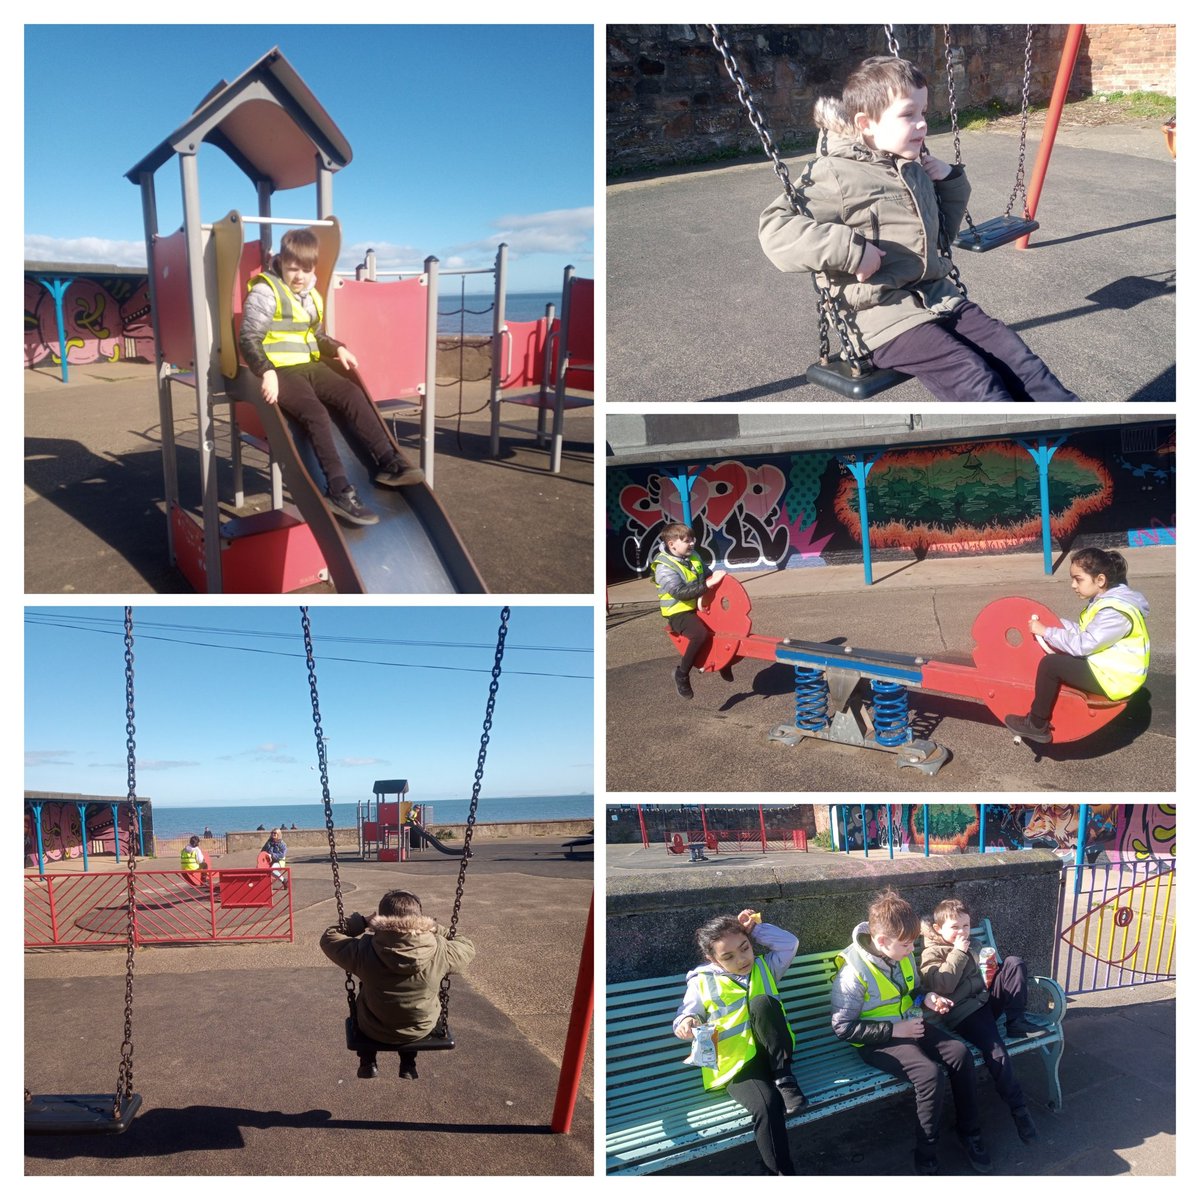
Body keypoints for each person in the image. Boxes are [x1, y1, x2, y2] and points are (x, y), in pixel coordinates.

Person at [758, 56, 1080, 403]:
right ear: (866, 124)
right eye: (908, 114)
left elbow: (941, 237)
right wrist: (851, 251)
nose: (922, 124)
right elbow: (775, 230)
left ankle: (1079, 435)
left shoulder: (913, 168)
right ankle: (1011, 450)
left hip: (938, 297)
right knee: (972, 375)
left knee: (1019, 359)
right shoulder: (834, 173)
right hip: (879, 318)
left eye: (923, 113)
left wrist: (950, 181)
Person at [238, 226, 424, 527]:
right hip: (280, 370)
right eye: (292, 268)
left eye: (305, 269)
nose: (299, 276)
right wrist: (266, 371)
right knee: (315, 413)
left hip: (309, 365)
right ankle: (338, 490)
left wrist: (338, 348)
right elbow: (248, 338)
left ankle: (389, 462)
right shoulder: (266, 291)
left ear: (313, 268)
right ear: (282, 262)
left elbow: (315, 334)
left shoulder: (310, 294)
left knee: (351, 393)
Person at [831, 888, 991, 1174]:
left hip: (911, 1025)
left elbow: (914, 990)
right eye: (906, 945)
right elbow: (844, 1028)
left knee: (959, 1053)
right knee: (929, 1074)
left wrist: (927, 998)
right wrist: (895, 1029)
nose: (911, 950)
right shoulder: (853, 973)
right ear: (882, 941)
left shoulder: (900, 952)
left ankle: (970, 1131)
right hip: (877, 1040)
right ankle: (926, 1153)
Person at [674, 910, 806, 1175]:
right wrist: (686, 1023)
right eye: (728, 956)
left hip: (774, 1056)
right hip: (736, 1063)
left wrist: (755, 928)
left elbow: (789, 944)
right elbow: (685, 1014)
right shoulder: (701, 982)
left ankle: (784, 1078)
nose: (742, 959)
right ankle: (781, 1174)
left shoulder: (765, 967)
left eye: (745, 948)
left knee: (763, 1002)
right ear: (713, 959)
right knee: (768, 1106)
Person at [319, 889, 475, 1080]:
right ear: (420, 919)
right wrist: (435, 928)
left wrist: (363, 922)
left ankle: (368, 1060)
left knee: (364, 998)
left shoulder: (364, 949)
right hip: (420, 1028)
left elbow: (329, 938)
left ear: (381, 919)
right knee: (413, 1007)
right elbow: (467, 946)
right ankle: (408, 1064)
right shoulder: (441, 950)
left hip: (373, 1028)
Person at [919, 898, 1039, 1143]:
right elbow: (944, 984)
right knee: (997, 1051)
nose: (962, 931)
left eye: (965, 925)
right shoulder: (932, 952)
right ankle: (1019, 1109)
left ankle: (1015, 1021)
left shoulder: (973, 943)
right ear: (938, 929)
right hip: (964, 1014)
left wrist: (994, 969)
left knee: (1014, 963)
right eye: (954, 927)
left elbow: (988, 976)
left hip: (985, 1001)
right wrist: (958, 952)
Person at [1005, 547, 1150, 743]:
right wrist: (1056, 624)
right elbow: (1088, 633)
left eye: (1078, 579)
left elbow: (1084, 644)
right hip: (1110, 671)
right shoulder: (1108, 600)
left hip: (1115, 679)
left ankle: (1037, 724)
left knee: (1051, 665)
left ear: (1100, 580)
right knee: (1061, 657)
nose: (1073, 585)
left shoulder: (1115, 612)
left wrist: (1047, 632)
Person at [652, 522, 730, 699]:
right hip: (678, 612)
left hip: (697, 605)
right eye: (687, 540)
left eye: (692, 539)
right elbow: (679, 593)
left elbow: (707, 574)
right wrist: (707, 584)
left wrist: (716, 579)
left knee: (722, 627)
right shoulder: (664, 567)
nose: (692, 543)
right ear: (672, 544)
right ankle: (681, 674)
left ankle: (724, 663)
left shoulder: (693, 555)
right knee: (700, 634)